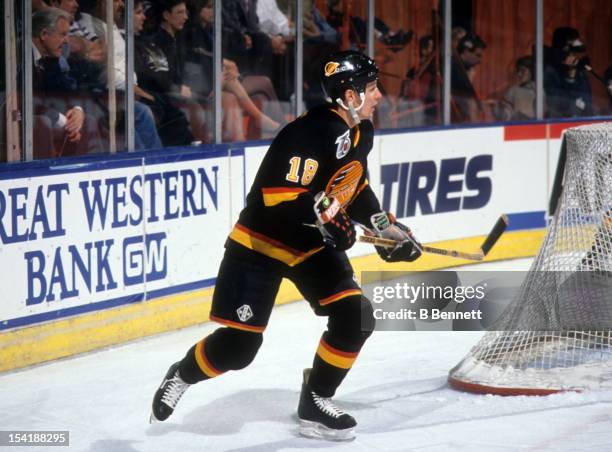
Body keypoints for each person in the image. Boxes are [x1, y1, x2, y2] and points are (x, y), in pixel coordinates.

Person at [149, 50, 422, 441]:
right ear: (349, 96)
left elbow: (353, 185)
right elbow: (280, 197)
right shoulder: (309, 132)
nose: (379, 94)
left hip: (309, 245)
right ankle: (182, 373)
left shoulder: (362, 130)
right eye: (372, 87)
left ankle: (315, 399)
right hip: (260, 244)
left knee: (354, 316)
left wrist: (384, 226)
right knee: (239, 349)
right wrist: (329, 219)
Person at [499, 55, 536, 121]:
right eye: (518, 71)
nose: (519, 74)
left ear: (531, 71)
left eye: (523, 70)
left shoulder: (538, 90)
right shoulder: (514, 90)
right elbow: (506, 113)